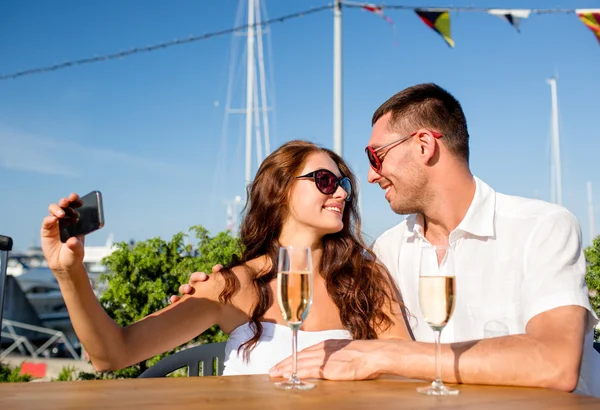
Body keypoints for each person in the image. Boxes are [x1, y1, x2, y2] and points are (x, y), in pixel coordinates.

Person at [179, 83, 600, 396]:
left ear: (423, 146)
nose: (370, 177)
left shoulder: (542, 227)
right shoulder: (388, 252)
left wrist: (385, 355)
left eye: (375, 157)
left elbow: (555, 363)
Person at [40, 140, 410, 376]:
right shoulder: (234, 286)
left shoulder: (365, 278)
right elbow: (113, 354)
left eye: (343, 184)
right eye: (325, 182)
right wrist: (68, 272)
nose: (342, 194)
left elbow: (407, 360)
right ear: (280, 190)